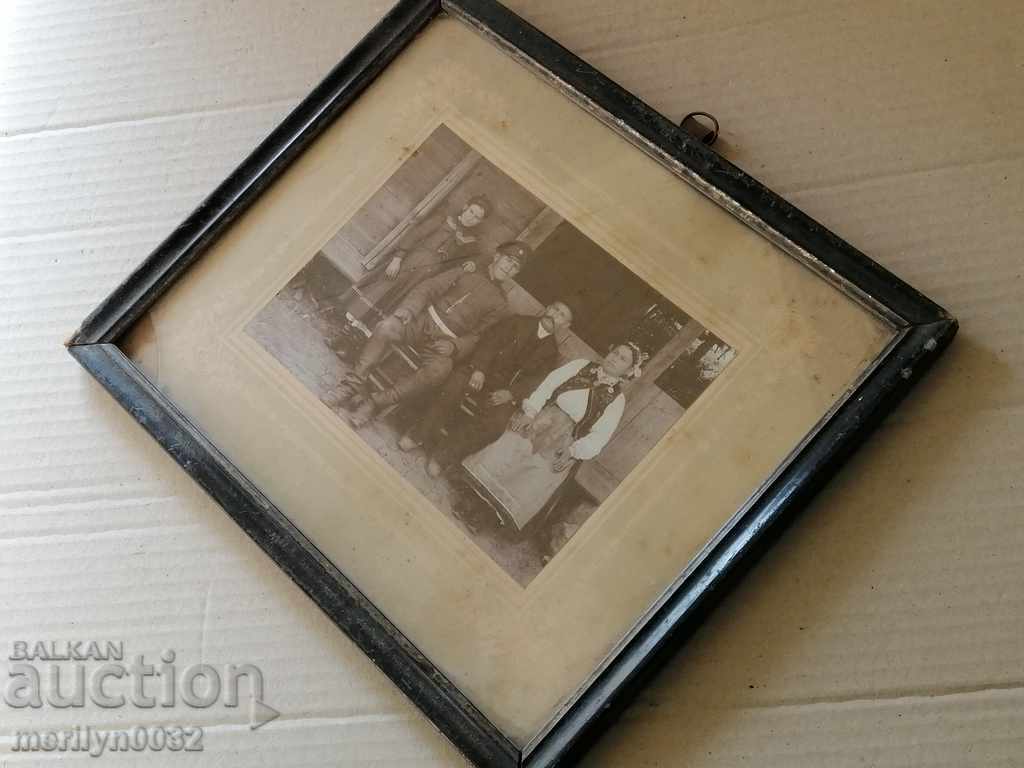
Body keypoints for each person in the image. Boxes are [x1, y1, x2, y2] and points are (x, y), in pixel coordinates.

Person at [338, 241, 531, 428]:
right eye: (508, 260)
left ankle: (374, 402)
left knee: (440, 370)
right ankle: (351, 385)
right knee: (387, 327)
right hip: (422, 321)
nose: (509, 268)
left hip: (444, 341)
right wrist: (409, 309)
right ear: (497, 256)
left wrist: (455, 346)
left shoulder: (501, 304)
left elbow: (477, 336)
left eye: (515, 267)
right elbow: (429, 288)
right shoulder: (467, 270)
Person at [462, 342, 648, 531]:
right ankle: (471, 500)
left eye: (622, 359)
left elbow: (600, 436)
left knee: (534, 476)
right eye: (615, 352)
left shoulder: (616, 400)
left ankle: (485, 517)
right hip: (542, 419)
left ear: (629, 370)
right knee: (508, 449)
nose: (615, 358)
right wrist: (531, 412)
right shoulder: (582, 365)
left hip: (565, 440)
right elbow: (548, 386)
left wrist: (572, 451)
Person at [402, 301, 574, 478]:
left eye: (561, 315)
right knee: (455, 386)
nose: (555, 315)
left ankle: (443, 457)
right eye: (555, 309)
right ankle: (419, 434)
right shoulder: (517, 322)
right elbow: (489, 342)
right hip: (480, 373)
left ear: (565, 326)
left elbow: (535, 381)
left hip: (504, 392)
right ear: (547, 308)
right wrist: (479, 369)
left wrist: (511, 394)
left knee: (496, 425)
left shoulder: (551, 353)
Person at [341, 195, 493, 327]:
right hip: (407, 264)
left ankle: (360, 328)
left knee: (396, 300)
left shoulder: (470, 242)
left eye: (477, 217)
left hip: (423, 277)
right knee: (382, 288)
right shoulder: (443, 220)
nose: (471, 218)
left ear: (480, 221)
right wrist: (397, 259)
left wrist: (474, 264)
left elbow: (476, 259)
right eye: (471, 211)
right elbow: (415, 235)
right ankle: (346, 317)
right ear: (465, 207)